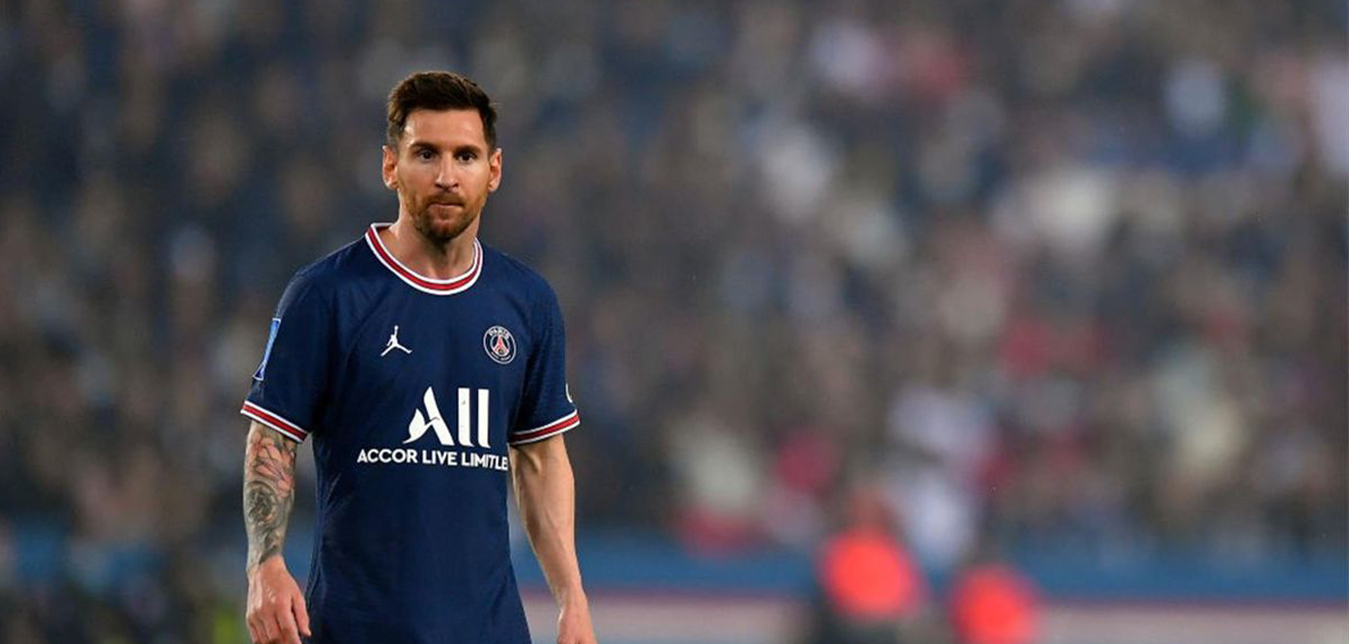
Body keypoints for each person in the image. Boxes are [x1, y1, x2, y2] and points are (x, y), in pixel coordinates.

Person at [240, 71, 597, 644]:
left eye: (465, 156)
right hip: (358, 628)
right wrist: (265, 564)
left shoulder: (527, 302)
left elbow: (539, 458)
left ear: (494, 170)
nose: (447, 176)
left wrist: (571, 597)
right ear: (390, 166)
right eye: (426, 153)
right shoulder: (326, 295)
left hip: (488, 631)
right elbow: (273, 438)